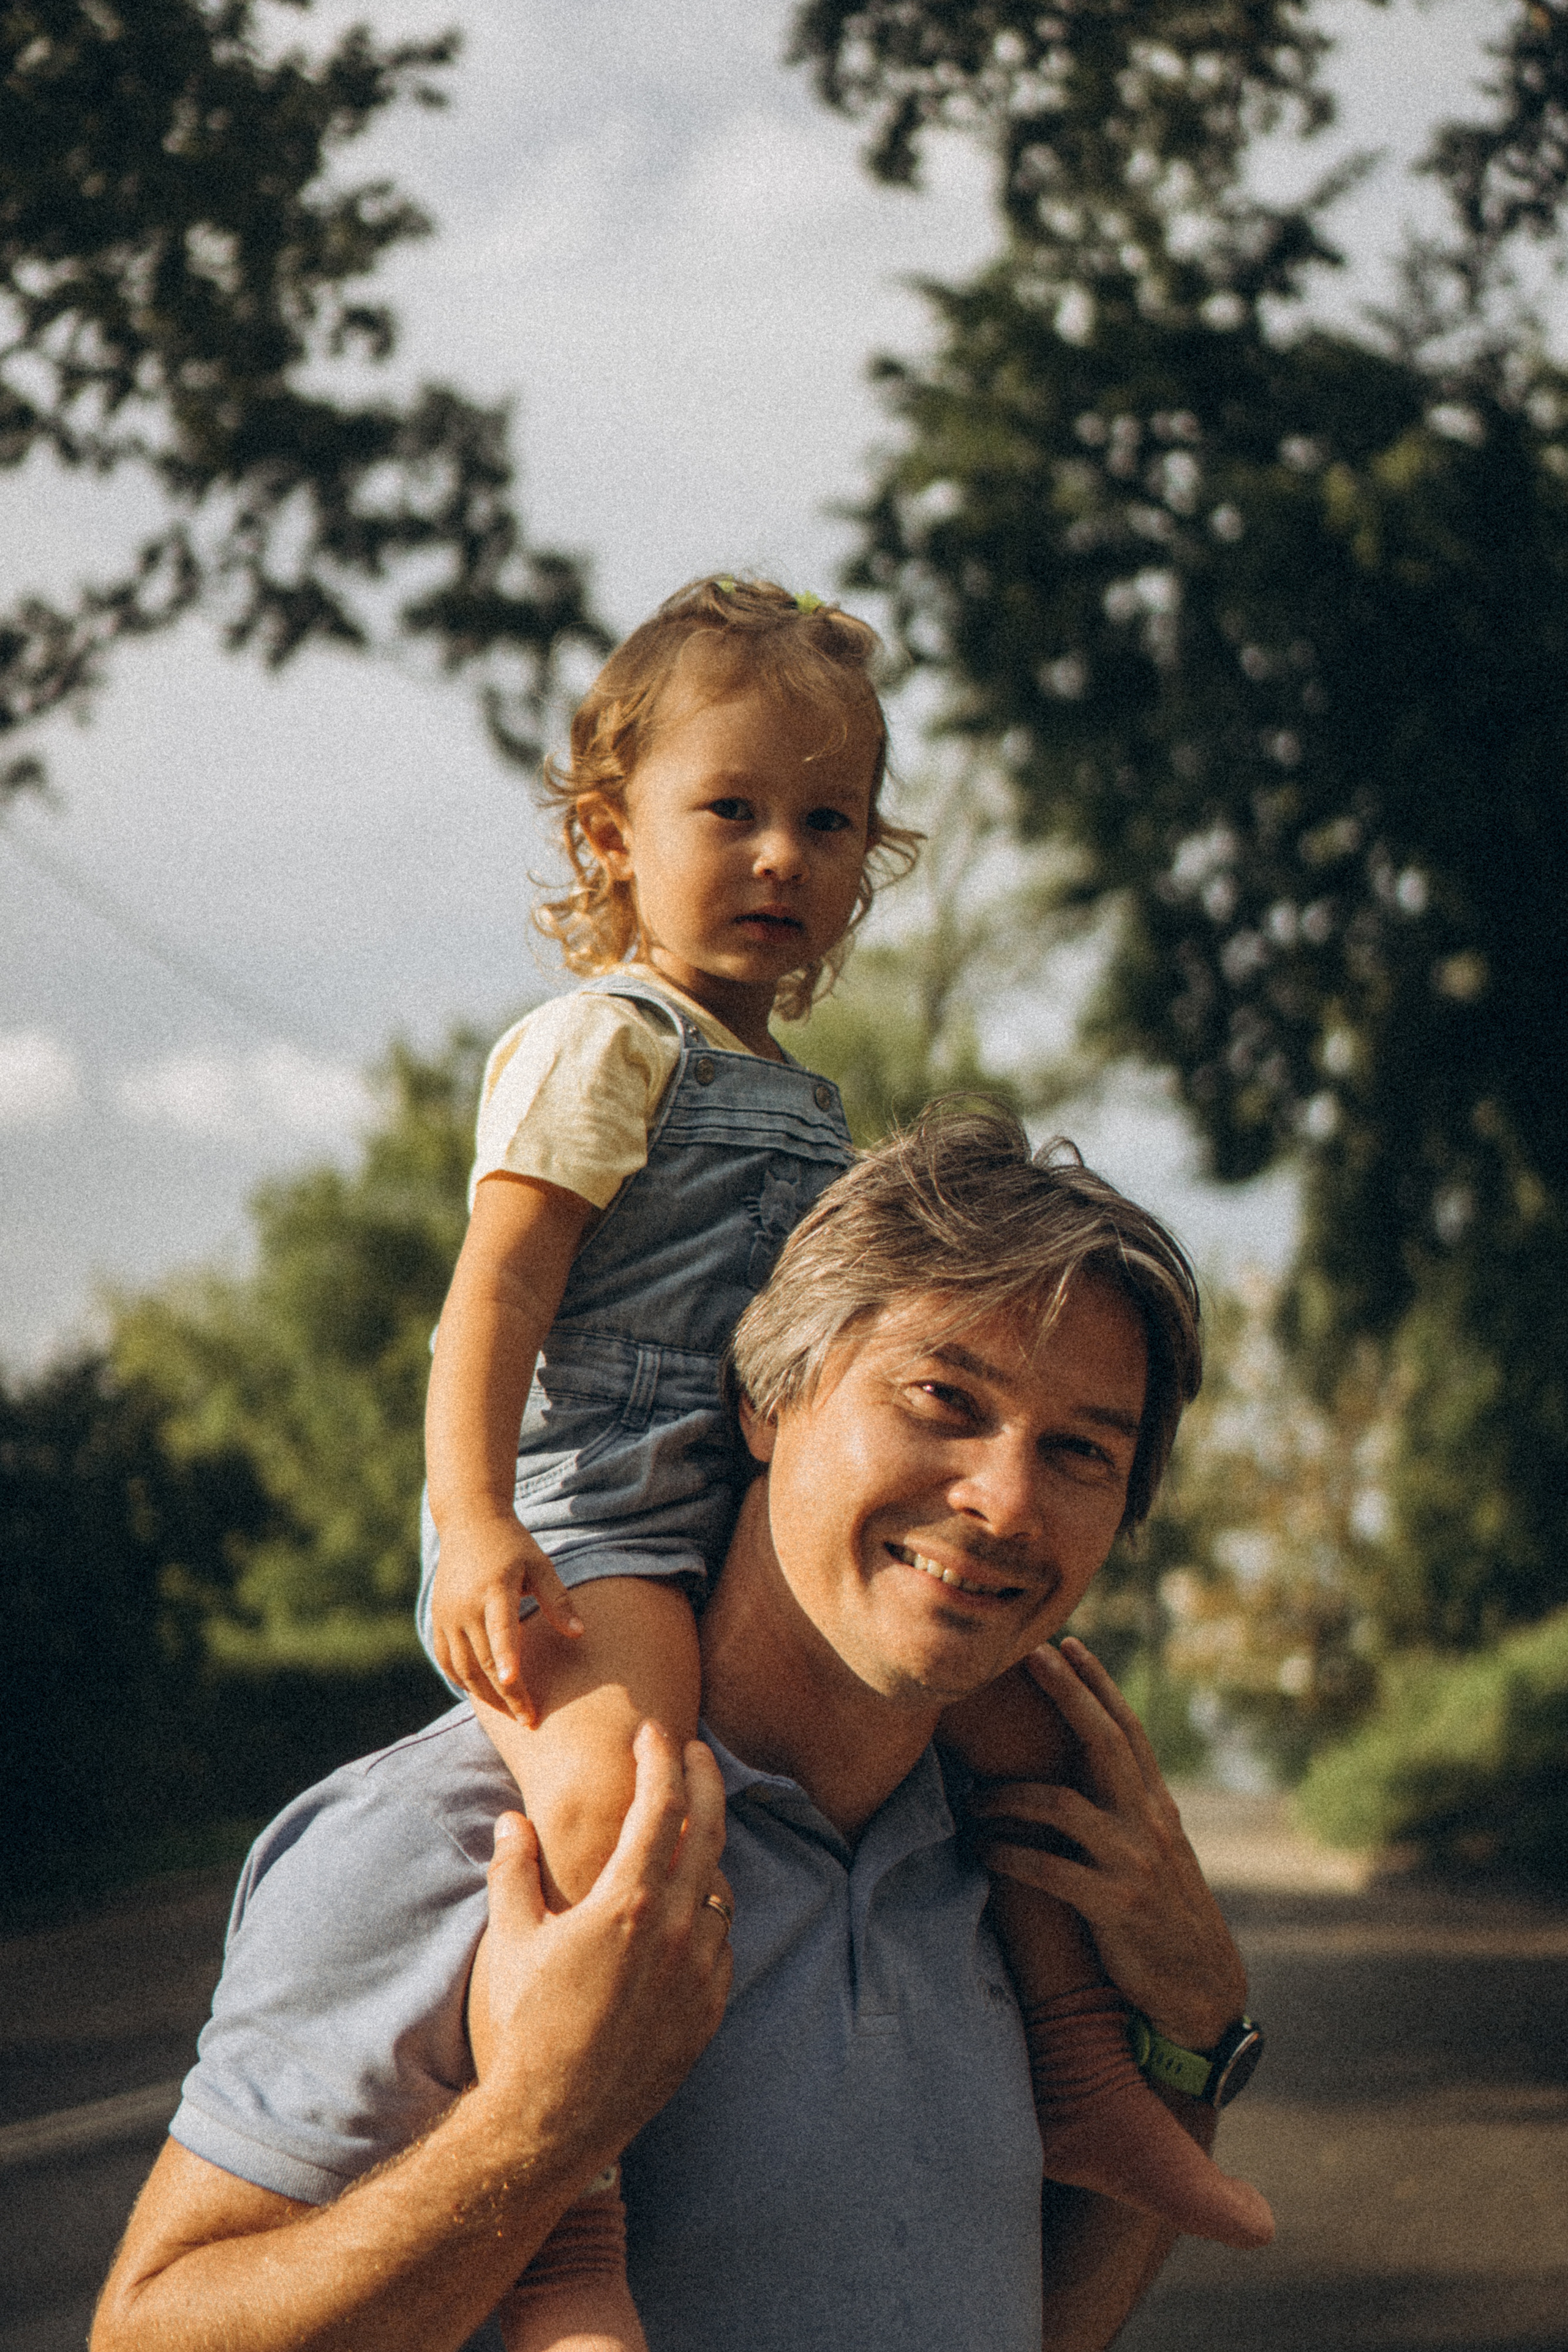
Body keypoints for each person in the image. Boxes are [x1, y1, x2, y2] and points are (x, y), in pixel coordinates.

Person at [418, 579, 1268, 2343]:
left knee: (1044, 1740)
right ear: (613, 832)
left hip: (738, 1504)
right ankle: (572, 2213)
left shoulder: (806, 1103)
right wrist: (480, 1518)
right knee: (632, 1809)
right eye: (729, 812)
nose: (780, 859)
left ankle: (1095, 2082)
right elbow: (495, 1296)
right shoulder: (603, 1044)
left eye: (828, 824)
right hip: (599, 1522)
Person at [92, 1108, 1270, 2352]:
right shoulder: (447, 1838)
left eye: (1079, 1451)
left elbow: (1038, 2327)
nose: (1005, 1501)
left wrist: (1191, 2043)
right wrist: (540, 2127)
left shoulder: (1034, 1881)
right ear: (769, 1398)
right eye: (942, 1397)